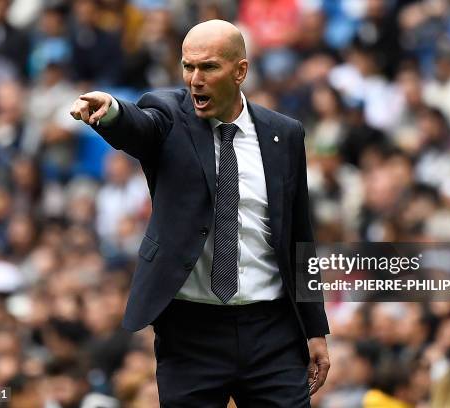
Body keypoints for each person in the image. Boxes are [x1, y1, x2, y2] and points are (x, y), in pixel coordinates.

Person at [70, 19, 330, 406]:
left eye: (208, 67)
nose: (195, 79)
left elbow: (299, 237)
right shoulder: (168, 115)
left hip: (272, 328)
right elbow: (138, 128)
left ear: (240, 71)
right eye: (188, 66)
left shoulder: (284, 134)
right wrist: (111, 113)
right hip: (190, 332)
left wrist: (315, 329)